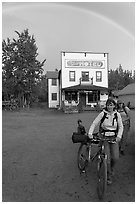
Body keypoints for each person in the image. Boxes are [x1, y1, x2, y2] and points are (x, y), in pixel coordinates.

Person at [88, 98, 123, 185]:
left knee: (115, 157)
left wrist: (119, 136)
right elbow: (94, 123)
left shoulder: (117, 114)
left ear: (114, 106)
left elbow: (121, 126)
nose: (109, 107)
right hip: (104, 137)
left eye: (111, 105)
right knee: (107, 159)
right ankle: (109, 175)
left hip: (114, 137)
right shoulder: (103, 113)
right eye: (108, 105)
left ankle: (111, 169)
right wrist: (90, 133)